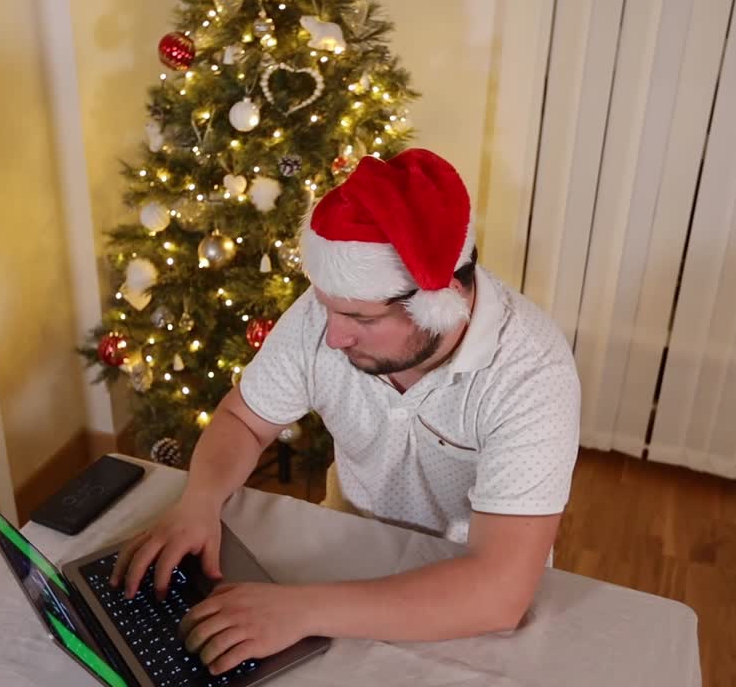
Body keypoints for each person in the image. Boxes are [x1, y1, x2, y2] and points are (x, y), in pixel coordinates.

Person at [111, 148, 581, 676]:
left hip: (461, 595)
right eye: (327, 307)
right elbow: (244, 419)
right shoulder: (329, 313)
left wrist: (300, 609)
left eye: (358, 317)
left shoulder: (531, 370)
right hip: (345, 552)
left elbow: (498, 594)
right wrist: (199, 500)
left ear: (439, 301)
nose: (333, 336)